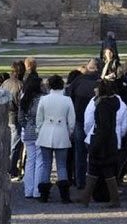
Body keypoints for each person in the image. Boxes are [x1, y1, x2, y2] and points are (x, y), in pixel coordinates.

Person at [81, 79, 127, 208]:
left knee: (92, 170)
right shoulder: (115, 103)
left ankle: (86, 198)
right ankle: (114, 199)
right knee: (108, 172)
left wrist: (95, 145)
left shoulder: (102, 105)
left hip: (101, 142)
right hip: (111, 142)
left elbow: (101, 127)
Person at [36, 75, 76, 203]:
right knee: (61, 165)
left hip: (46, 132)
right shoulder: (67, 100)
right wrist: (69, 132)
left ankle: (43, 195)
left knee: (46, 164)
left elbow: (39, 119)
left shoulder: (44, 99)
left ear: (49, 86)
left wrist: (39, 131)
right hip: (61, 132)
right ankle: (64, 196)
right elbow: (72, 120)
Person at [65, 58, 101, 190]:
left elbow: (69, 98)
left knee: (79, 153)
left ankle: (80, 181)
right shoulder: (100, 83)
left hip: (79, 120)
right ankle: (95, 181)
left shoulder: (77, 81)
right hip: (96, 122)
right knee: (95, 153)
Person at [18, 76, 44, 199]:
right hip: (39, 132)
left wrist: (27, 126)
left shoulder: (24, 99)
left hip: (28, 132)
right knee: (40, 161)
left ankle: (28, 190)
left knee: (29, 162)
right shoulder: (42, 99)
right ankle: (37, 190)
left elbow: (20, 118)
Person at [1, 60, 26, 180]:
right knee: (15, 146)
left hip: (5, 117)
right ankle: (11, 170)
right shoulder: (20, 85)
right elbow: (22, 104)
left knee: (8, 144)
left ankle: (7, 168)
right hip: (15, 118)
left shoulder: (5, 83)